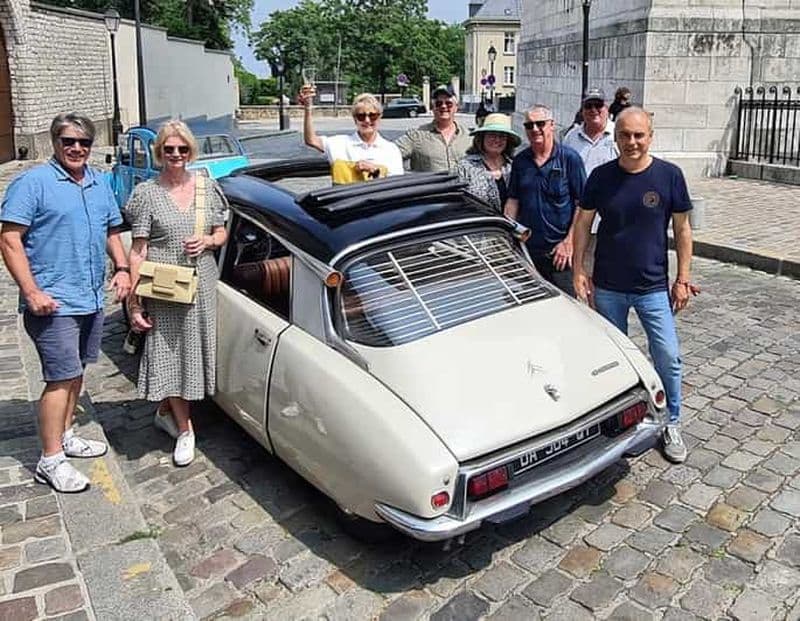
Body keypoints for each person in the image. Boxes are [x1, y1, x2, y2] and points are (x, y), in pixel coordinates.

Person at [0, 113, 131, 493]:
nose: (76, 148)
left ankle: (67, 433)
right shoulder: (33, 183)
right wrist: (31, 291)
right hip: (52, 303)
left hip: (90, 296)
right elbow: (9, 240)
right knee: (59, 379)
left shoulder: (98, 181)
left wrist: (122, 267)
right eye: (68, 141)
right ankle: (50, 459)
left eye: (84, 143)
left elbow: (111, 228)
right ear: (55, 143)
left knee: (76, 373)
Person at [572, 107, 695, 464]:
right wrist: (580, 269)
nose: (632, 142)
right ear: (616, 138)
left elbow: (683, 230)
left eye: (639, 135)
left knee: (667, 356)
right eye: (625, 135)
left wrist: (682, 279)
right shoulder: (601, 176)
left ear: (650, 137)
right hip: (608, 286)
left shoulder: (669, 176)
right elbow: (582, 224)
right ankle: (621, 422)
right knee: (614, 361)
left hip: (653, 286)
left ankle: (671, 421)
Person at [125, 120, 229, 467]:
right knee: (170, 355)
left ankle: (167, 410)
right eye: (169, 149)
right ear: (159, 152)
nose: (176, 155)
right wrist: (135, 301)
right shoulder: (147, 193)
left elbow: (221, 233)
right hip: (166, 287)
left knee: (195, 352)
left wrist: (210, 241)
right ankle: (186, 430)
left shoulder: (205, 186)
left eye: (182, 149)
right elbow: (137, 250)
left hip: (203, 282)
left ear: (190, 152)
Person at [504, 104, 586, 296]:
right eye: (529, 125)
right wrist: (508, 233)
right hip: (528, 253)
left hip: (559, 254)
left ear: (552, 125)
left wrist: (569, 242)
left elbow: (583, 205)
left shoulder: (570, 159)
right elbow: (513, 200)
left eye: (540, 124)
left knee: (566, 310)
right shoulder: (520, 161)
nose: (534, 129)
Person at [298, 88, 403, 178]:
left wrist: (375, 171)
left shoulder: (391, 150)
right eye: (361, 116)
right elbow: (311, 140)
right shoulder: (339, 144)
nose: (367, 120)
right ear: (355, 119)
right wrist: (308, 108)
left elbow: (396, 187)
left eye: (372, 116)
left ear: (379, 118)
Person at [395, 84, 471, 173]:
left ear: (456, 107)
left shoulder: (469, 137)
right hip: (429, 186)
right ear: (433, 108)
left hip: (462, 187)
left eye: (448, 103)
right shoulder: (416, 136)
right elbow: (389, 153)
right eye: (438, 104)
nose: (443, 106)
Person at [456, 113, 520, 212]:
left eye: (502, 136)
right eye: (492, 135)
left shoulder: (514, 166)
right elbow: (456, 201)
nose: (497, 140)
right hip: (478, 225)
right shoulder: (465, 166)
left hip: (510, 226)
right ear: (482, 138)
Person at [563, 88, 618, 177]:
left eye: (598, 105)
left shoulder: (619, 133)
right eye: (588, 106)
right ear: (582, 111)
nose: (593, 110)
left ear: (607, 108)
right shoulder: (571, 137)